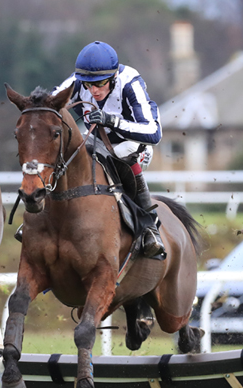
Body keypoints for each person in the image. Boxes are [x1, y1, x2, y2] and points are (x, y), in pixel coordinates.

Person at [50, 41, 166, 260]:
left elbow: (153, 132)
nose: (93, 90)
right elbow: (51, 103)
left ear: (112, 78)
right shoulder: (78, 82)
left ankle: (149, 227)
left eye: (100, 83)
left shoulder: (130, 83)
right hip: (95, 141)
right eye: (87, 85)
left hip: (133, 142)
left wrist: (111, 121)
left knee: (116, 155)